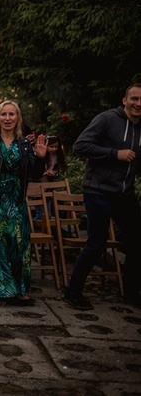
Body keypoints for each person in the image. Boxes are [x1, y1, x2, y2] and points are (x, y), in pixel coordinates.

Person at [64, 83, 141, 310]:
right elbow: (81, 145)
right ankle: (73, 291)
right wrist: (114, 154)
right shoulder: (108, 119)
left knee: (137, 240)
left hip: (124, 194)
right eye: (134, 99)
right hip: (98, 191)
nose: (138, 104)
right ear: (125, 100)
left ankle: (131, 292)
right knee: (96, 243)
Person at [0, 100, 46, 306]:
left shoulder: (24, 144)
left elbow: (35, 173)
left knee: (18, 244)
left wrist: (40, 157)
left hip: (15, 201)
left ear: (18, 118)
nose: (8, 118)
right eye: (4, 115)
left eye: (12, 115)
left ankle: (20, 290)